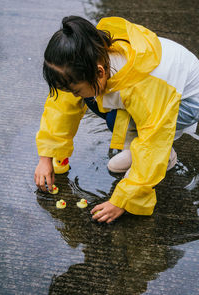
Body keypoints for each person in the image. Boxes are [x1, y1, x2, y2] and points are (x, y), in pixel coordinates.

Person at [34, 15, 199, 223]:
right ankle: (134, 150)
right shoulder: (85, 60)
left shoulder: (145, 87)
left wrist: (124, 199)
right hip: (150, 95)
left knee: (125, 120)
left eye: (75, 90)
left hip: (186, 101)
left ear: (100, 72)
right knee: (95, 101)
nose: (73, 94)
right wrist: (47, 157)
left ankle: (166, 158)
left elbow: (154, 138)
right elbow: (61, 105)